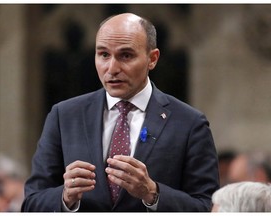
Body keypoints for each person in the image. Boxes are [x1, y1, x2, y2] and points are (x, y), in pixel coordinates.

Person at [21, 13, 219, 212]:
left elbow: (206, 207)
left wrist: (153, 193)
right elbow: (31, 203)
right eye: (104, 55)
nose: (112, 68)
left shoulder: (189, 123)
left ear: (152, 59)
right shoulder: (64, 116)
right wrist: (65, 197)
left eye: (126, 55)